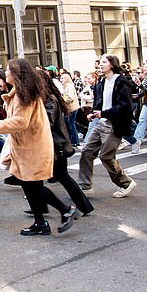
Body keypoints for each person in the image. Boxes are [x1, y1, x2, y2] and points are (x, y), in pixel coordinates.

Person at [0, 59, 76, 236]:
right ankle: (41, 222)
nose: (5, 73)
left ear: (16, 74)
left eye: (8, 70)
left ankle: (65, 210)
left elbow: (20, 121)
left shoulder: (22, 95)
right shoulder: (20, 93)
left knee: (33, 186)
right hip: (26, 147)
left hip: (32, 147)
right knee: (29, 186)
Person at [78, 55, 137, 197]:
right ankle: (84, 186)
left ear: (112, 64)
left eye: (104, 62)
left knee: (106, 156)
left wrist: (103, 113)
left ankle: (126, 182)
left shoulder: (121, 82)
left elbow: (124, 106)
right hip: (101, 123)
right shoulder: (102, 82)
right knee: (86, 151)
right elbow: (100, 102)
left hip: (114, 125)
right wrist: (94, 113)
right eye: (100, 62)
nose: (100, 65)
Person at [39, 70, 94, 216]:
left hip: (56, 146)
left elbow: (46, 123)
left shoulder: (49, 100)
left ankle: (82, 206)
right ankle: (40, 207)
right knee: (45, 178)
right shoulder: (47, 99)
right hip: (54, 145)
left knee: (62, 177)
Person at [60, 73, 81, 146]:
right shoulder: (65, 86)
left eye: (62, 78)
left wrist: (63, 100)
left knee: (71, 124)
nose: (61, 80)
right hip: (69, 108)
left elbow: (70, 97)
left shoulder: (69, 86)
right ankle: (72, 140)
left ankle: (75, 141)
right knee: (68, 123)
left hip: (72, 108)